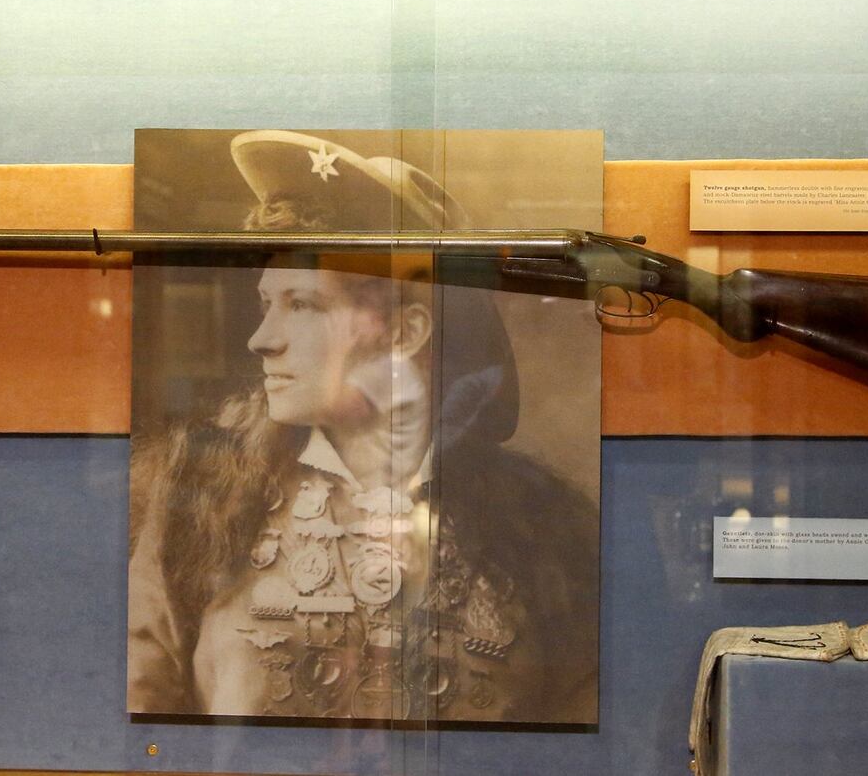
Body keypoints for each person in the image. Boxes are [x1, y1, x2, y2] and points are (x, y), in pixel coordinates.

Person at [127, 131, 599, 721]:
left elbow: (581, 737)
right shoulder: (196, 497)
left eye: (303, 305)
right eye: (266, 304)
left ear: (404, 334)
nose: (261, 339)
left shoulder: (544, 523)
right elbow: (141, 718)